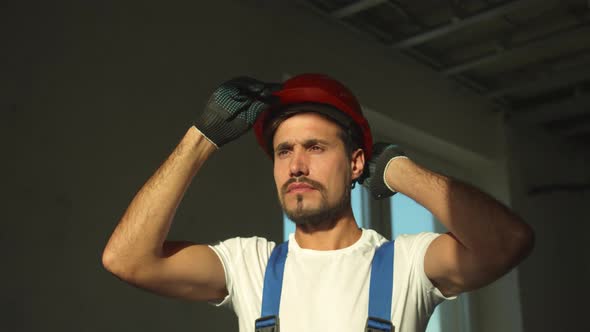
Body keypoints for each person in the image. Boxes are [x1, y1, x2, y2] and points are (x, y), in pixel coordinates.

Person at [102, 74, 534, 332]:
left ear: (355, 164)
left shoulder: (407, 265)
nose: (296, 165)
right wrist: (203, 137)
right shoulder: (249, 265)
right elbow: (127, 259)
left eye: (315, 147)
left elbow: (508, 241)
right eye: (284, 151)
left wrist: (397, 171)